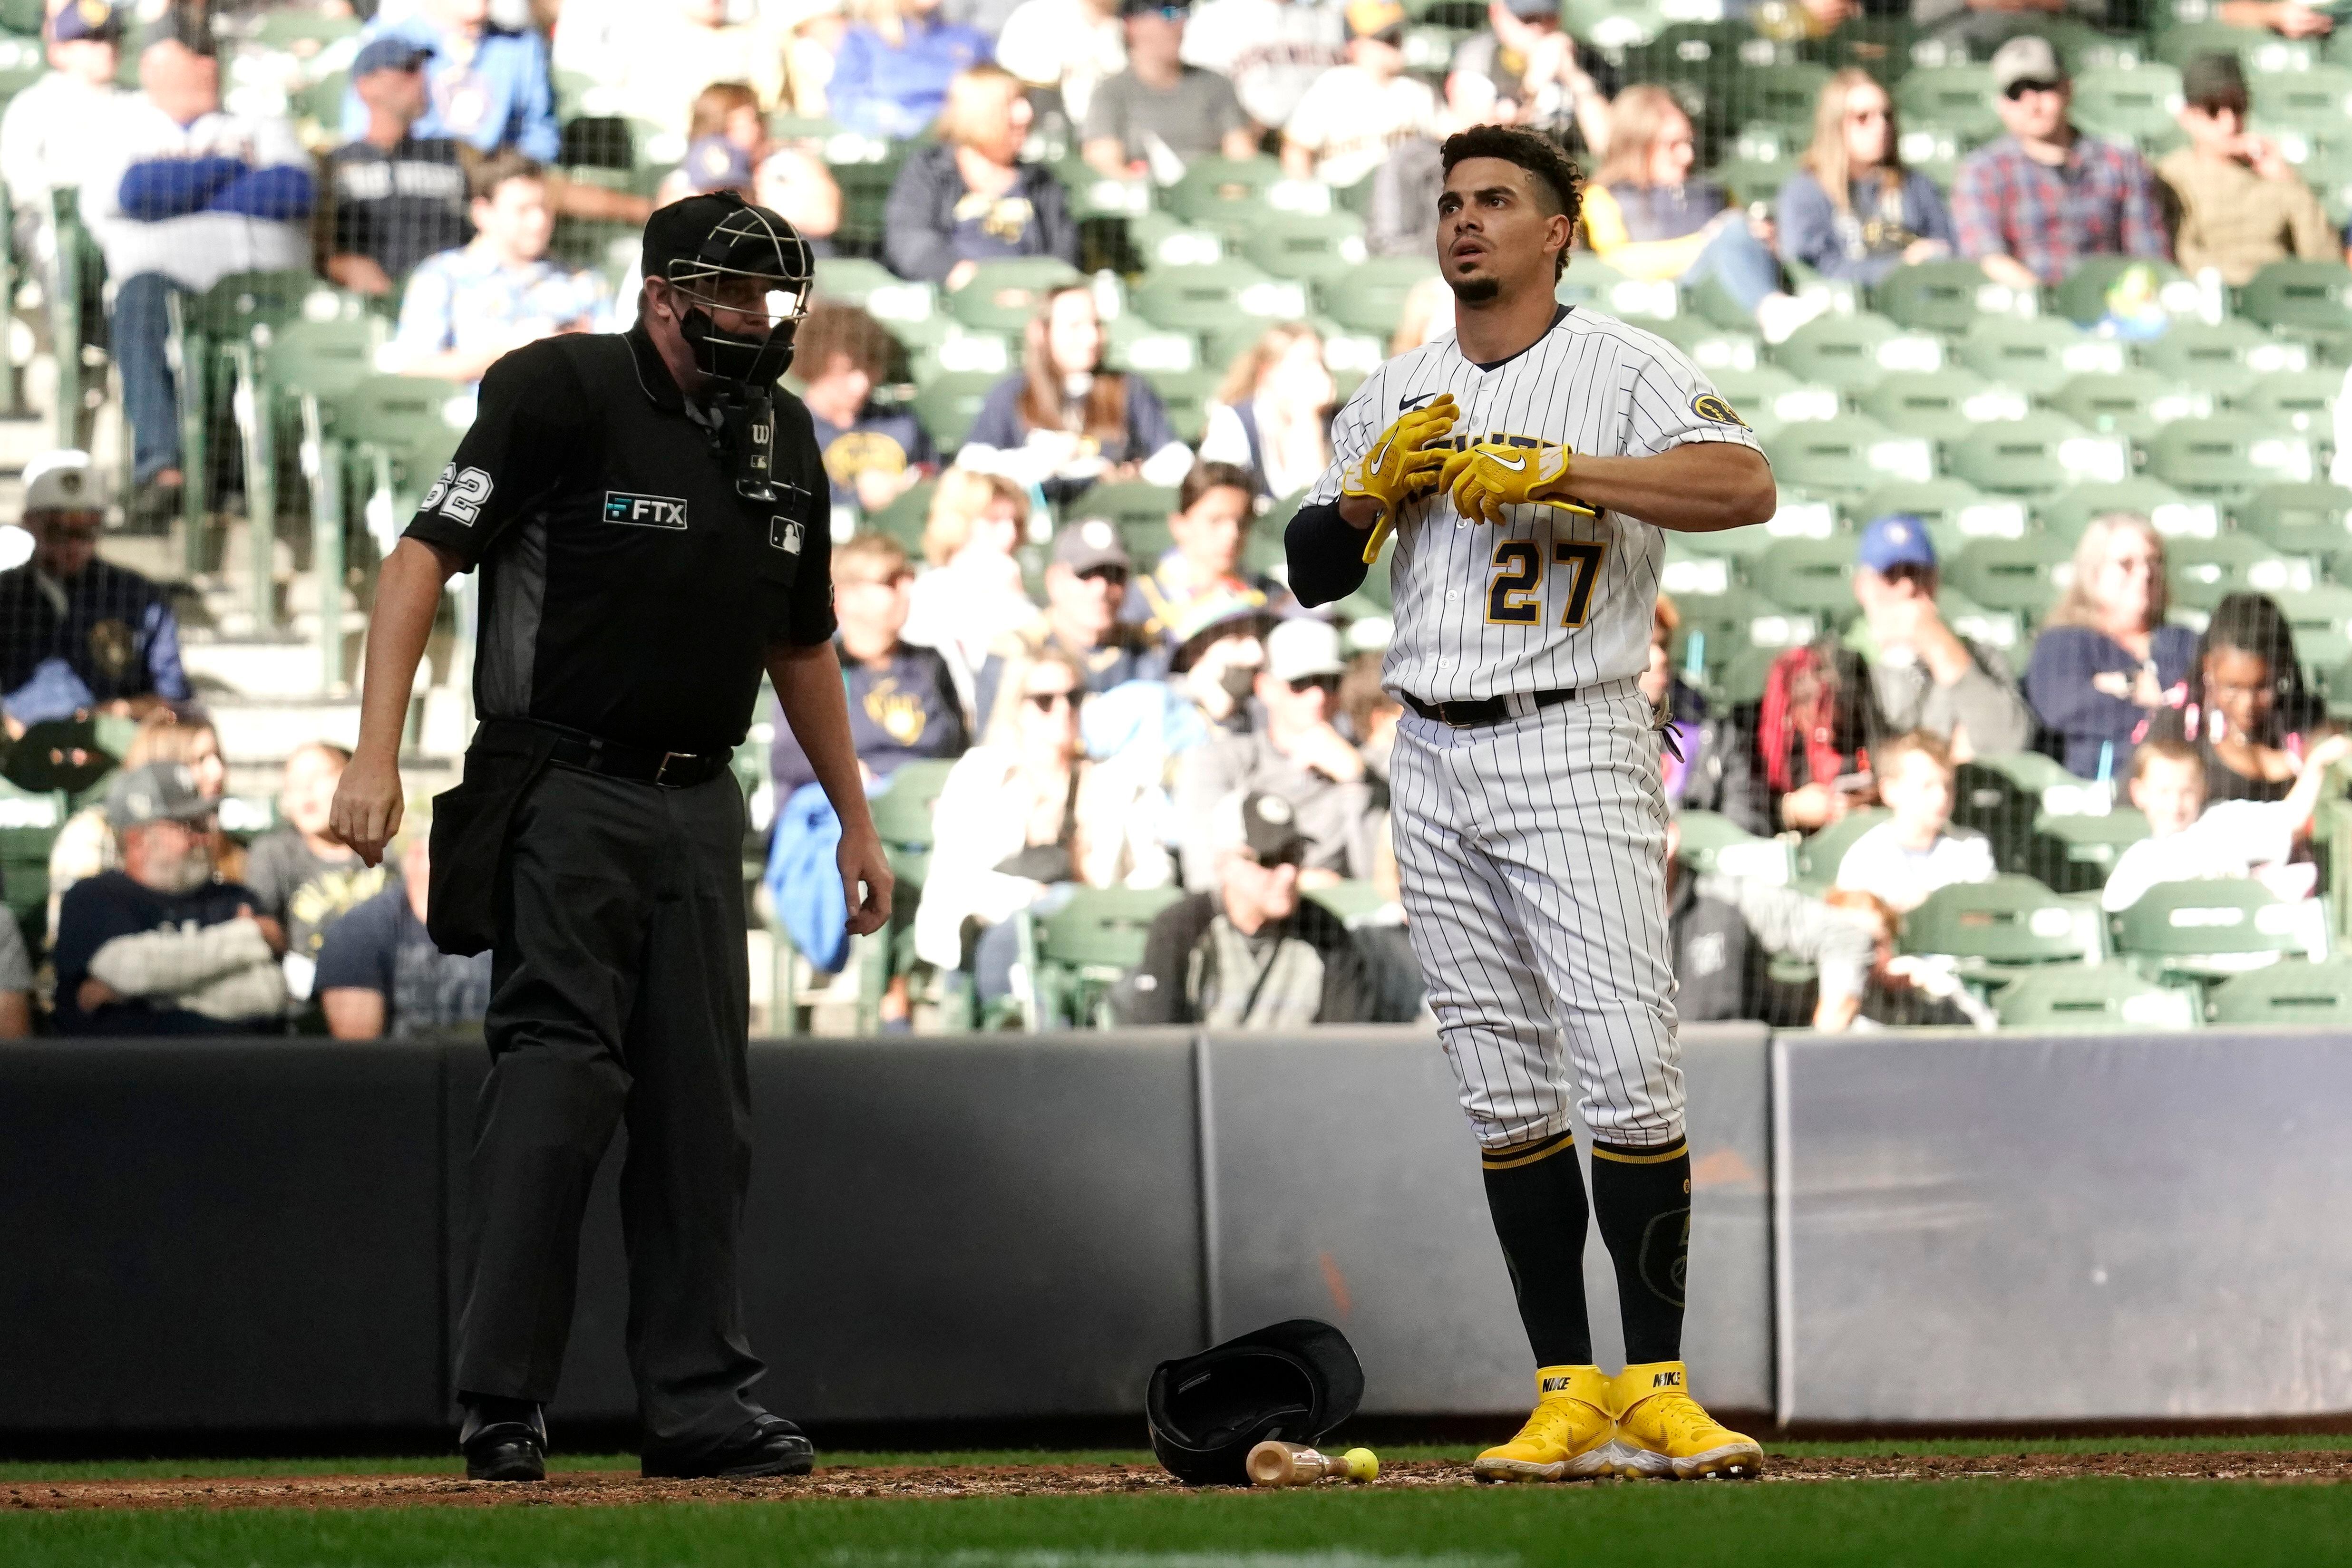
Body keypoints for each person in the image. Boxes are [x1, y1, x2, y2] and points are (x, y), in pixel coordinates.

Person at [326, 193, 892, 1485]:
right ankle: (501, 1400)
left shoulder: (784, 435)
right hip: (564, 784)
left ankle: (697, 1400)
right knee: (556, 1083)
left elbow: (801, 642)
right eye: (734, 296)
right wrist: (375, 753)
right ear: (662, 296)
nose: (759, 319)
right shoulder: (561, 389)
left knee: (705, 1112)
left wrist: (854, 816)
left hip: (705, 802)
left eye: (772, 297)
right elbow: (422, 557)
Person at [1285, 124, 1774, 1482]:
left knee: (1625, 1063)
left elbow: (1744, 484)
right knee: (1502, 1082)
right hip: (1431, 752)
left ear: (1559, 230)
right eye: (1451, 201)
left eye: (1498, 200)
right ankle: (1564, 1388)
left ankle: (1660, 1384)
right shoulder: (1397, 389)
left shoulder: (1621, 365)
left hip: (1574, 734)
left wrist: (1565, 470)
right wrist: (1372, 492)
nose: (1466, 222)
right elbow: (1312, 569)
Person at [82, 10, 312, 520]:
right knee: (138, 304)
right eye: (189, 59)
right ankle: (163, 468)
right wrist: (230, 168)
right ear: (152, 68)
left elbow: (291, 191)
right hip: (165, 286)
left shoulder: (257, 121)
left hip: (264, 287)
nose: (205, 69)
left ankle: (258, 480)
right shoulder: (122, 127)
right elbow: (134, 191)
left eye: (209, 59)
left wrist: (184, 190)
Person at [913, 648, 1174, 999]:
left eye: (1074, 698)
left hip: (1092, 942)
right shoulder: (982, 776)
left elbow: (1155, 871)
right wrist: (1034, 897)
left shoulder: (1117, 782)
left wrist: (1107, 911)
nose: (1064, 710)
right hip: (999, 934)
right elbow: (954, 877)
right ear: (1017, 708)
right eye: (1045, 701)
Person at [1756, 513, 2033, 832]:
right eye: (1892, 575)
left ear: (1935, 582)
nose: (1907, 588)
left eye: (1918, 575)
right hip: (1852, 837)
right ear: (1863, 587)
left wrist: (1942, 649)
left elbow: (2010, 744)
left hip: (1955, 835)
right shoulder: (1826, 666)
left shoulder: (1973, 658)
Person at [54, 761, 287, 1036]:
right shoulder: (93, 899)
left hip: (231, 1070)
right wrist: (247, 935)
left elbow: (270, 994)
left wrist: (146, 994)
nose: (204, 838)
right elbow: (129, 971)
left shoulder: (235, 897)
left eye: (205, 824)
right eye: (189, 826)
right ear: (139, 839)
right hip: (122, 1071)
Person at [1579, 86, 1824, 345]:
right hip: (1664, 302)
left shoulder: (1712, 191)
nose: (1688, 156)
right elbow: (1617, 261)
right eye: (1673, 145)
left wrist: (1766, 240)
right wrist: (1708, 241)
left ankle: (1777, 308)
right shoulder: (1604, 196)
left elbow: (1736, 243)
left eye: (1688, 143)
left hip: (1726, 297)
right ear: (1637, 145)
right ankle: (1774, 310)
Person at [1116, 788, 1380, 1025]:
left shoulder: (1328, 933)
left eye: (1295, 855)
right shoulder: (1180, 928)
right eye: (1269, 859)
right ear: (1225, 864)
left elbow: (1344, 1049)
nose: (1288, 873)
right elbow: (1159, 1045)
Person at [1950, 35, 2170, 293]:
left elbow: (2149, 257)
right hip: (2024, 314)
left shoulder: (2122, 164)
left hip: (2110, 307)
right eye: (2017, 93)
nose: (2032, 104)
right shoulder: (1983, 171)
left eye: (2042, 87)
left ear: (2067, 89)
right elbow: (1985, 258)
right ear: (2002, 105)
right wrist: (2049, 303)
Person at [1176, 617, 1378, 887]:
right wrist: (1294, 883)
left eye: (1329, 682)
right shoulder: (1218, 761)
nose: (1318, 697)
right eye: (1301, 684)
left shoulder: (1369, 767)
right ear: (1265, 688)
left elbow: (1380, 884)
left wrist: (1357, 781)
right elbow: (1205, 875)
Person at [0, 451, 191, 731]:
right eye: (57, 531)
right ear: (30, 523)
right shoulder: (6, 597)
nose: (72, 545)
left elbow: (174, 697)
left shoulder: (138, 598)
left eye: (85, 532)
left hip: (116, 750)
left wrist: (121, 711)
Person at [383, 153, 611, 384]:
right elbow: (412, 368)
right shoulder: (441, 278)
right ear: (483, 212)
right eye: (524, 210)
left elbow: (617, 371)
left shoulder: (583, 282)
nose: (539, 221)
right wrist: (508, 353)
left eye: (545, 207)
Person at [771, 532, 969, 796]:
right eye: (891, 581)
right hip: (842, 806)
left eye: (909, 578)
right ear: (846, 595)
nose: (907, 591)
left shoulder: (930, 665)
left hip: (928, 804)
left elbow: (959, 748)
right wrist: (846, 772)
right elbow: (787, 759)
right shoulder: (816, 666)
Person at [961, 284, 1191, 502]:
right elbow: (972, 464)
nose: (1091, 338)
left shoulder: (1129, 387)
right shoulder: (1014, 392)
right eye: (1075, 326)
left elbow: (1176, 458)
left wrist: (1138, 477)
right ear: (1041, 332)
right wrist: (1036, 461)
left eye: (1097, 325)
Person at [2024, 512, 2196, 781]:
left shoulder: (2183, 641)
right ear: (2093, 573)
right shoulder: (2063, 643)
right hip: (2098, 787)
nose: (2146, 573)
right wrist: (2143, 689)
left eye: (2154, 562)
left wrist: (2116, 688)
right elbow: (2063, 708)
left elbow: (2203, 708)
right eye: (2127, 564)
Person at [1666, 814, 1876, 1032]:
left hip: (1729, 1057)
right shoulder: (1628, 927)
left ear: (1668, 838)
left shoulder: (1728, 899)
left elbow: (1843, 936)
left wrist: (1822, 1042)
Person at [2101, 732, 2352, 913]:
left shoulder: (2223, 823)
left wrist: (2316, 764)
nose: (2175, 805)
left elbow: (2291, 818)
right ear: (2139, 794)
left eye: (2186, 791)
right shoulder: (2139, 861)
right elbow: (2117, 917)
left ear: (2203, 789)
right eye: (2164, 792)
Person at [882, 63, 1079, 289]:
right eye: (1012, 103)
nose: (1027, 113)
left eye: (1026, 101)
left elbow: (1063, 256)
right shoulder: (930, 171)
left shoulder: (1041, 182)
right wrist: (958, 274)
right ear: (978, 113)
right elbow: (909, 240)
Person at [972, 518, 1168, 735]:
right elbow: (993, 747)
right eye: (1086, 575)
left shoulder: (1147, 647)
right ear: (1054, 581)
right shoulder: (1018, 650)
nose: (1101, 589)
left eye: (1114, 575)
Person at [2156, 52, 2337, 288]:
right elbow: (2178, 255)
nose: (2230, 123)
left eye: (2238, 108)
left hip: (2281, 295)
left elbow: (2326, 263)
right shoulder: (2172, 176)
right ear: (2187, 118)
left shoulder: (2273, 171)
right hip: (2216, 295)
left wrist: (2291, 183)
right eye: (2213, 110)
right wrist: (2248, 283)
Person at [317, 804, 495, 1040]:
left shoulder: (516, 923)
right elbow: (359, 1058)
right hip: (402, 1074)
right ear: (416, 855)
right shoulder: (356, 933)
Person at [45, 710, 228, 940]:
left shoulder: (218, 836)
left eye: (219, 758)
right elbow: (73, 939)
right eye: (200, 760)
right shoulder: (92, 834)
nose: (218, 772)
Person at [1776, 69, 1958, 288]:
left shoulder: (1916, 185)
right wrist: (1901, 268)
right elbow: (1816, 268)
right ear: (1835, 125)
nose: (1880, 127)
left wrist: (1933, 253)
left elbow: (1947, 246)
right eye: (1863, 117)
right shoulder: (1806, 191)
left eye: (1886, 116)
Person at [243, 742, 392, 1002]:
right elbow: (259, 926)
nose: (305, 790)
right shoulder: (274, 854)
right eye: (293, 783)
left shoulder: (389, 853)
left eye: (318, 777)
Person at [326, 37, 471, 299]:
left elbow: (522, 182)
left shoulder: (454, 151)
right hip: (376, 304)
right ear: (366, 87)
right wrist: (341, 265)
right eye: (408, 70)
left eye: (421, 69)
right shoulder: (335, 163)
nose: (421, 79)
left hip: (462, 296)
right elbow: (317, 247)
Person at [2155, 592, 2325, 806]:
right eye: (2233, 687)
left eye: (2263, 687)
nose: (2248, 705)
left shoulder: (2308, 724)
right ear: (2209, 667)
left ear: (2283, 670)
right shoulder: (2177, 727)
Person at [340, 0, 560, 165]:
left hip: (491, 194)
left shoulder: (521, 45)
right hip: (412, 190)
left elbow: (540, 137)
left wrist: (505, 177)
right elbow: (362, 132)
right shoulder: (388, 43)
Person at [0, 0, 127, 270]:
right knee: (54, 242)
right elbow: (21, 177)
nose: (106, 48)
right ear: (60, 50)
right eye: (92, 40)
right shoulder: (34, 104)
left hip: (122, 215)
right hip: (57, 219)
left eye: (111, 37)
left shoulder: (136, 104)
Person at [901, 468, 1040, 711]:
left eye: (1015, 522)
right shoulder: (931, 593)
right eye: (994, 521)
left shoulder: (1015, 591)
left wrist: (1015, 601)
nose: (1010, 534)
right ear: (959, 523)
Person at [1081, 0, 1256, 181]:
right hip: (1143, 199)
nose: (1179, 22)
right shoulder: (1111, 92)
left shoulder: (1215, 85)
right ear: (1132, 24)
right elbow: (1102, 164)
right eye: (1167, 14)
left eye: (1184, 12)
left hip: (1208, 195)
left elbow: (1241, 157)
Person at [1830, 729, 1997, 914]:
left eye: (1948, 785)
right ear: (1891, 791)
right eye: (1927, 786)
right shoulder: (1865, 858)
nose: (1942, 796)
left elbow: (1987, 920)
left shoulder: (1971, 848)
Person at [1280, 0, 1441, 190]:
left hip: (1407, 193)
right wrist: (1308, 193)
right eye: (1386, 38)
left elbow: (1449, 133)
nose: (1397, 43)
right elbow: (1297, 151)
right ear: (1355, 45)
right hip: (1347, 196)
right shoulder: (1333, 86)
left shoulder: (1417, 86)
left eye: (1398, 35)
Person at [795, 302, 936, 518]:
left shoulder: (901, 422)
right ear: (816, 365)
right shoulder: (793, 428)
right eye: (847, 370)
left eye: (870, 369)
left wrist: (905, 490)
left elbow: (933, 475)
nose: (861, 384)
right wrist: (857, 498)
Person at [1126, 461, 1286, 647]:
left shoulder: (1271, 595)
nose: (1232, 534)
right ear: (1179, 525)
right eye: (1216, 520)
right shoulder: (1141, 603)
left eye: (1242, 523)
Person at [1446, 0, 1613, 154]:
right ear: (1497, 14)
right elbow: (1475, 145)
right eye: (1527, 19)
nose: (1538, 28)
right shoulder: (1479, 56)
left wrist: (1575, 78)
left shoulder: (1584, 58)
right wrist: (1532, 86)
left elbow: (1608, 149)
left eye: (1547, 17)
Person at [1196, 324, 1335, 503]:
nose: (1320, 375)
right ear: (1268, 372)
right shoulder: (1232, 424)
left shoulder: (1327, 422)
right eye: (1307, 364)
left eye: (1322, 365)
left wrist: (1308, 421)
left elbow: (1321, 505)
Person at [827, 0, 993, 140]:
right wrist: (901, 123)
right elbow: (845, 102)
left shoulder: (969, 38)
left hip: (964, 146)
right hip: (897, 151)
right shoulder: (863, 39)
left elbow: (998, 92)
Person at [1179, 0, 1346, 135]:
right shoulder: (1209, 20)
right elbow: (1192, 98)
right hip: (1244, 147)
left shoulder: (1334, 20)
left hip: (1321, 146)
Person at [996, 0, 1127, 130]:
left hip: (1116, 132)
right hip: (1049, 130)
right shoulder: (1034, 16)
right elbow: (1009, 84)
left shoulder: (1134, 20)